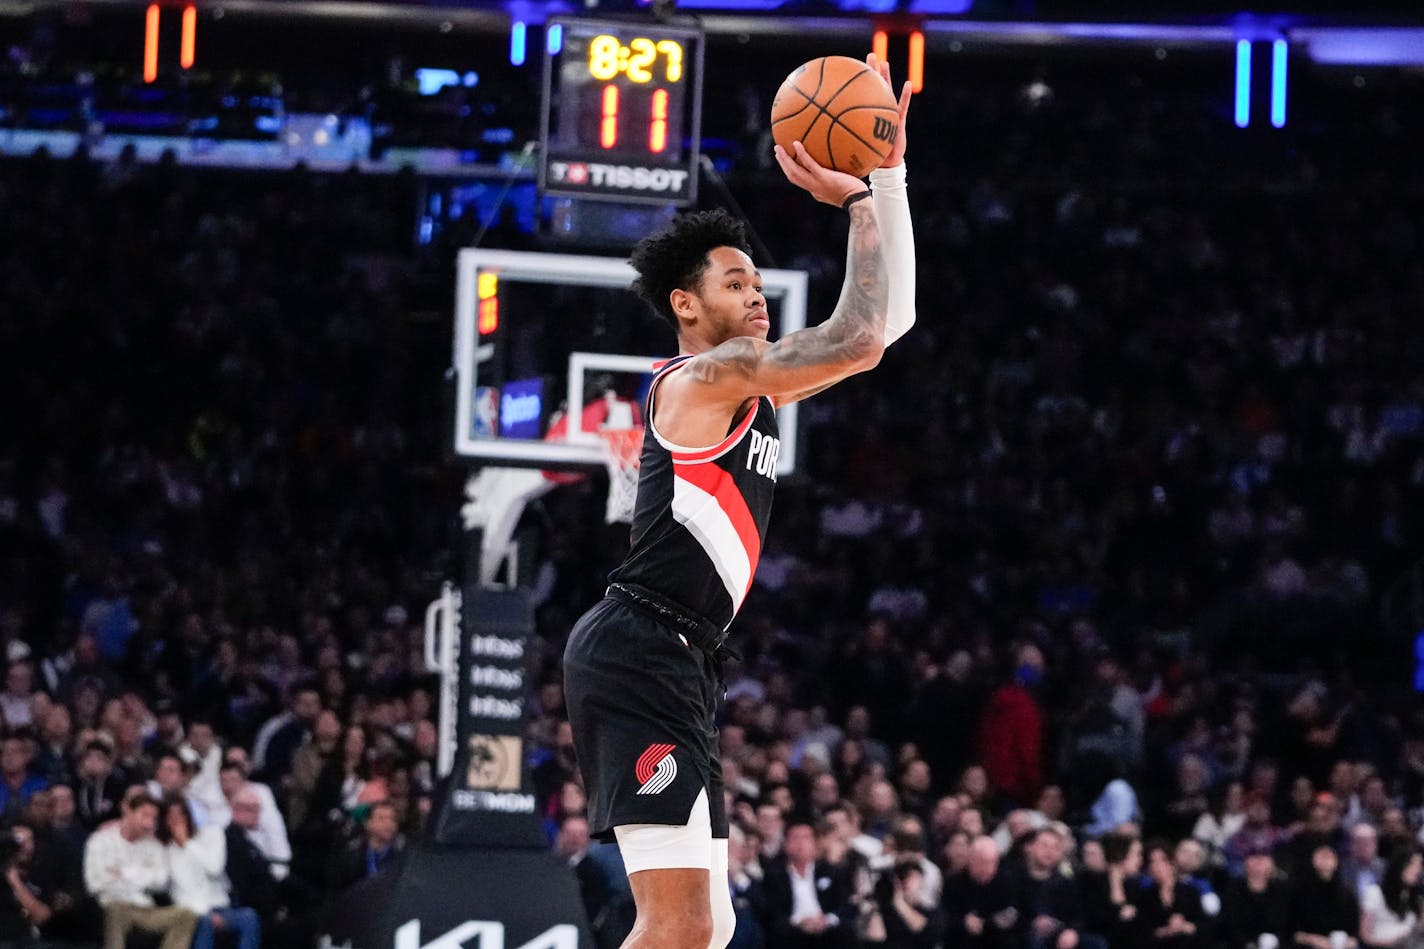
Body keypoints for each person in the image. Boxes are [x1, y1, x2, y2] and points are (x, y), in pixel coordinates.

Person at [561, 54, 914, 949]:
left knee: (707, 924)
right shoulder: (706, 379)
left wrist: (890, 176)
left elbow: (888, 326)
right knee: (678, 927)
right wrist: (860, 199)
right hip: (643, 645)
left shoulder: (749, 387)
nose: (755, 292)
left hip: (677, 652)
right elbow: (864, 335)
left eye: (757, 281)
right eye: (734, 283)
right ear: (685, 304)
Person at [82, 791, 198, 949]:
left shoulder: (154, 846)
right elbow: (95, 884)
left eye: (153, 818)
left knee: (186, 915)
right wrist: (143, 875)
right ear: (128, 812)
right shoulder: (100, 841)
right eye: (144, 815)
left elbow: (161, 882)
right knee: (115, 911)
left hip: (145, 908)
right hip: (113, 905)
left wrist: (124, 873)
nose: (149, 824)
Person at [160, 794, 260, 949]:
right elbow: (177, 892)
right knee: (204, 922)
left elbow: (214, 868)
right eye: (171, 816)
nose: (177, 820)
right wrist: (205, 913)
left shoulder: (212, 834)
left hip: (220, 906)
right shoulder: (166, 850)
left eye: (181, 814)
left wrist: (188, 843)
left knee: (249, 917)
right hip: (192, 911)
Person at [1359, 849, 1423, 949]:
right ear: (1400, 865)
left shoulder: (1417, 897)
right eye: (1412, 864)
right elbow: (1364, 935)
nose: (1417, 870)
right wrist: (1389, 943)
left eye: (1419, 866)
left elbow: (1420, 930)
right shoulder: (1375, 893)